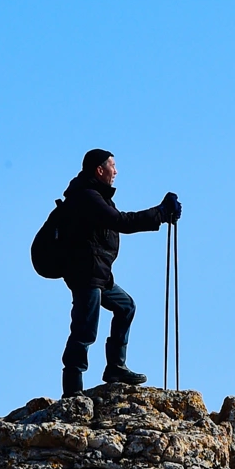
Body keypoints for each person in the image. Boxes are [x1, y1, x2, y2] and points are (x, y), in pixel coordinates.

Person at [57, 149, 181, 397]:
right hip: (86, 275)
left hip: (99, 274)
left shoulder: (95, 196)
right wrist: (160, 212)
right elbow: (122, 222)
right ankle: (72, 392)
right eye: (112, 166)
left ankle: (115, 367)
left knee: (126, 307)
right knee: (85, 329)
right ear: (99, 170)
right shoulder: (87, 197)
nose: (116, 171)